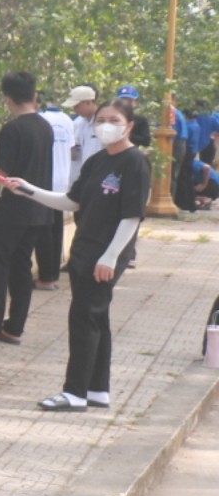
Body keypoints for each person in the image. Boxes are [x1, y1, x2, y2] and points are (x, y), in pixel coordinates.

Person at [11, 97, 150, 411]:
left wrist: (111, 257)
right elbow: (72, 201)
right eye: (101, 120)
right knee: (96, 317)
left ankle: (74, 392)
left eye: (114, 121)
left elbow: (131, 216)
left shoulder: (135, 163)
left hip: (105, 254)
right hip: (85, 249)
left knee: (84, 318)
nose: (106, 126)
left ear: (129, 125)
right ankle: (97, 389)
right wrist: (29, 190)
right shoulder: (96, 161)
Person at [0, 71, 58, 347]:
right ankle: (15, 327)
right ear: (33, 95)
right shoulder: (45, 127)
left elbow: (1, 172)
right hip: (38, 208)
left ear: (8, 98)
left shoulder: (13, 129)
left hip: (11, 210)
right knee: (21, 268)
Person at [34, 88, 78, 288]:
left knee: (43, 231)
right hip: (62, 181)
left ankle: (45, 277)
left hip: (43, 181)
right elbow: (72, 149)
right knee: (56, 229)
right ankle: (52, 274)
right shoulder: (68, 120)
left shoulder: (40, 120)